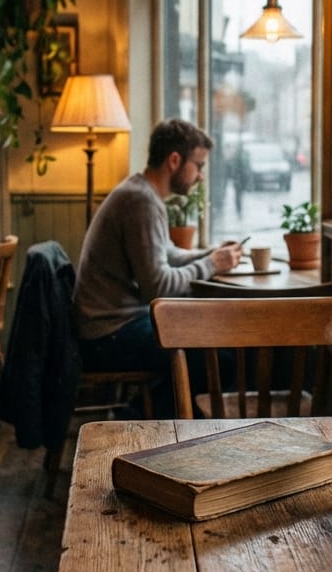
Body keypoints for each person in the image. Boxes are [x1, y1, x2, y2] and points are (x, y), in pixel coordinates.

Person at [73, 118, 243, 413]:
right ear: (174, 160)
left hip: (114, 325)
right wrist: (210, 265)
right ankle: (138, 419)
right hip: (108, 335)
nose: (201, 177)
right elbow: (159, 287)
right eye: (199, 166)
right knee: (218, 361)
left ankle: (145, 416)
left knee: (214, 350)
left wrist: (211, 254)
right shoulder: (141, 202)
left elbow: (167, 255)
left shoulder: (141, 193)